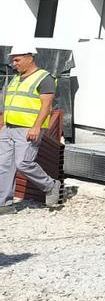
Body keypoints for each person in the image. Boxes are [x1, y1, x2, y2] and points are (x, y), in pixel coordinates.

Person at [0, 45, 63, 213]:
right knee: (4, 165)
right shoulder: (15, 78)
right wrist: (3, 125)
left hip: (28, 129)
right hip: (9, 128)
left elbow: (47, 105)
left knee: (24, 163)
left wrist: (36, 127)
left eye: (17, 59)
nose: (14, 63)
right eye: (13, 59)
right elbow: (7, 104)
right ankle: (4, 204)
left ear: (29, 57)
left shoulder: (44, 78)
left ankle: (51, 185)